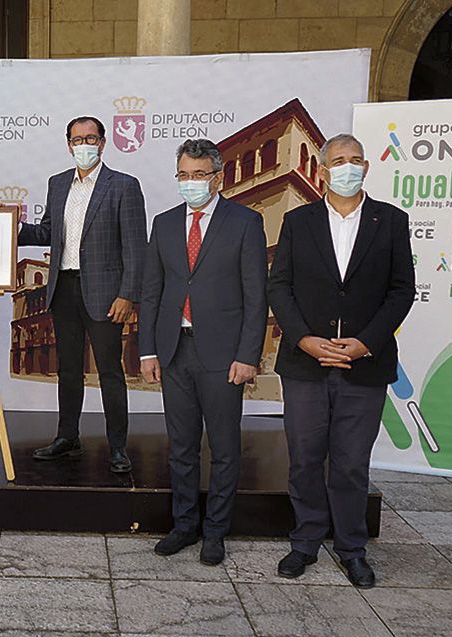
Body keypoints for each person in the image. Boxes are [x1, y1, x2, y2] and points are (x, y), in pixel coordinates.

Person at [268, 133, 414, 588]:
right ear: (323, 170)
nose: (347, 167)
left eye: (355, 160)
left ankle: (352, 548)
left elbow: (401, 291)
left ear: (366, 167)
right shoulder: (298, 221)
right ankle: (305, 541)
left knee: (351, 463)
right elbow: (279, 286)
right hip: (306, 364)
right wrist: (304, 339)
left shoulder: (390, 221)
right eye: (338, 161)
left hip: (364, 365)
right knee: (305, 458)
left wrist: (366, 342)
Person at [138, 139, 267, 565]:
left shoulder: (245, 222)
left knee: (225, 449)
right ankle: (184, 525)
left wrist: (248, 355)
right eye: (183, 175)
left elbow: (256, 296)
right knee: (181, 446)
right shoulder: (164, 223)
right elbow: (152, 292)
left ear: (218, 177)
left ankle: (215, 531)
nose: (190, 182)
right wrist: (147, 351)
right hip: (175, 350)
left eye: (198, 174)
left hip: (224, 356)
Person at [18, 116, 147, 473]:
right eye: (77, 140)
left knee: (110, 371)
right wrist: (12, 226)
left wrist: (127, 295)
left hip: (106, 294)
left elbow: (136, 246)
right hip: (63, 288)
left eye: (90, 139)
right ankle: (67, 437)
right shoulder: (58, 183)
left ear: (103, 143)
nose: (84, 145)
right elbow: (48, 233)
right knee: (69, 369)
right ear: (68, 144)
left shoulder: (123, 186)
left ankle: (118, 447)